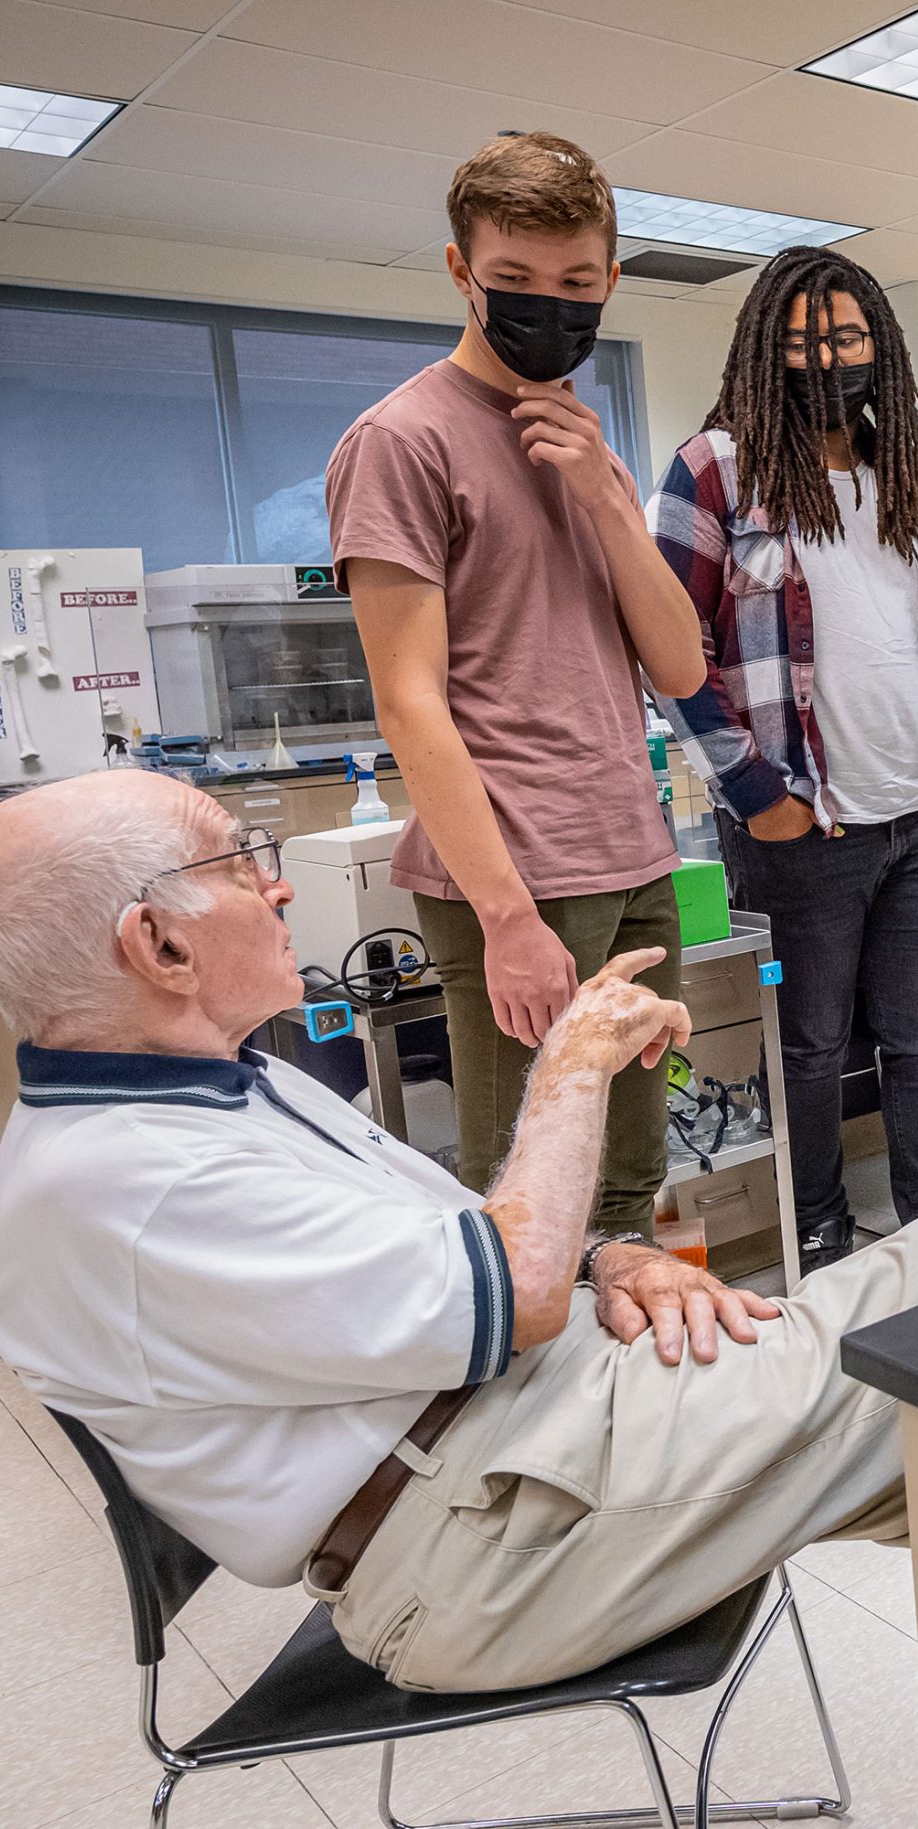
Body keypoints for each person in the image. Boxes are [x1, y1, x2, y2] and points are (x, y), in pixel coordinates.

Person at [0, 771, 918, 1694]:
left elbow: (459, 1244)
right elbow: (513, 1292)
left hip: (512, 1440)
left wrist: (605, 1255)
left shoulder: (206, 1091)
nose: (276, 882)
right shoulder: (124, 1181)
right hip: (476, 1541)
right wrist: (575, 1059)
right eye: (240, 863)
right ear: (157, 943)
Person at [328, 132, 703, 1246]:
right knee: (531, 1203)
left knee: (628, 1183)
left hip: (631, 853)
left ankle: (622, 1356)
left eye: (577, 283)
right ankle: (527, 1369)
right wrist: (506, 918)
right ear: (461, 271)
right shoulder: (402, 442)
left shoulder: (592, 451)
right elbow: (410, 702)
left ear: (611, 278)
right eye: (516, 280)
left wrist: (606, 500)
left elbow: (681, 665)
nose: (552, 305)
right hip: (519, 878)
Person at [652, 246, 918, 1273]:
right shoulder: (716, 469)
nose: (830, 360)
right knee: (806, 1047)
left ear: (881, 349)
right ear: (765, 350)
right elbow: (666, 646)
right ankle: (821, 1234)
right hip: (801, 824)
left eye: (847, 338)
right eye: (803, 343)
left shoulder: (917, 483)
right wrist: (754, 791)